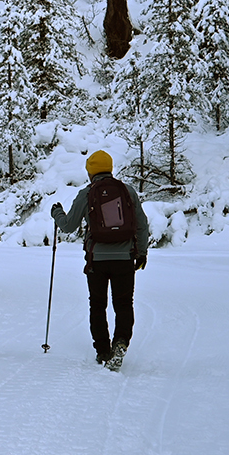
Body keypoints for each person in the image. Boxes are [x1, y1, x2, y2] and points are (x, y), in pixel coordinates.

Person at [52, 150, 150, 367]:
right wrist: (141, 253)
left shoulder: (87, 193)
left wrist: (57, 213)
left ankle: (103, 351)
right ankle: (121, 342)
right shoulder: (127, 191)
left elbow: (68, 226)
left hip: (97, 260)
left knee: (97, 305)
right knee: (124, 304)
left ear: (91, 172)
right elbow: (142, 225)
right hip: (124, 259)